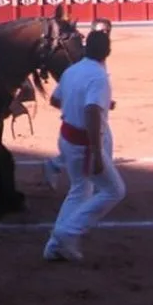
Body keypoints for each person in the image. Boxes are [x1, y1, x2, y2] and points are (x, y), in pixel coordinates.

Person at [43, 30, 125, 262]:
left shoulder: (72, 70)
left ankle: (54, 246)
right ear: (107, 52)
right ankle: (66, 233)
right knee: (114, 190)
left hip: (67, 136)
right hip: (84, 144)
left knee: (80, 189)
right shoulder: (99, 77)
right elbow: (91, 111)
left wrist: (76, 107)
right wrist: (97, 153)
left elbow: (55, 100)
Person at [41, 18, 114, 189]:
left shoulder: (97, 54)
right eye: (100, 31)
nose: (104, 34)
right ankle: (101, 183)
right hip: (87, 113)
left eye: (106, 31)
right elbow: (71, 88)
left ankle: (54, 165)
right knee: (99, 147)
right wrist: (80, 106)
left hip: (88, 111)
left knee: (78, 148)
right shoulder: (82, 57)